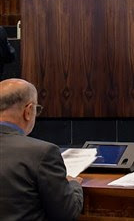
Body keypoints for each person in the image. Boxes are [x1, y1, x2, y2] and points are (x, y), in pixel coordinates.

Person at [0, 78, 84, 220]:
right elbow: (67, 214)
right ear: (28, 111)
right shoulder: (42, 153)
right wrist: (74, 185)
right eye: (36, 109)